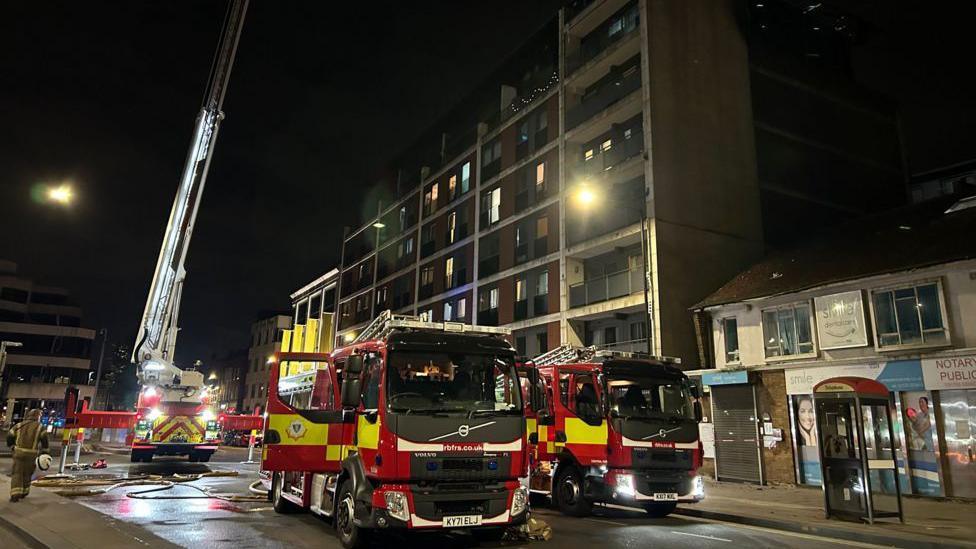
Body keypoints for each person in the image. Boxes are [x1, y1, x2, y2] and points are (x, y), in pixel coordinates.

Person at [6, 408, 49, 502]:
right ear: (37, 416)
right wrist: (45, 453)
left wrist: (12, 446)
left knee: (17, 473)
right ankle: (24, 492)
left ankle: (15, 495)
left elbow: (9, 436)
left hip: (18, 453)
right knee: (27, 473)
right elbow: (45, 441)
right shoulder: (40, 427)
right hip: (31, 454)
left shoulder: (19, 425)